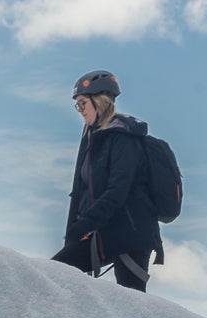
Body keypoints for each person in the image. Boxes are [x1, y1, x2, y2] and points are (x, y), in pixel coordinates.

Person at [52, 70, 158, 292]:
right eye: (77, 105)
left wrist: (85, 223)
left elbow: (117, 190)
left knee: (133, 304)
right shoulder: (94, 139)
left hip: (131, 234)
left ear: (99, 101)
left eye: (82, 103)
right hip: (103, 232)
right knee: (53, 274)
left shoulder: (123, 139)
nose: (79, 110)